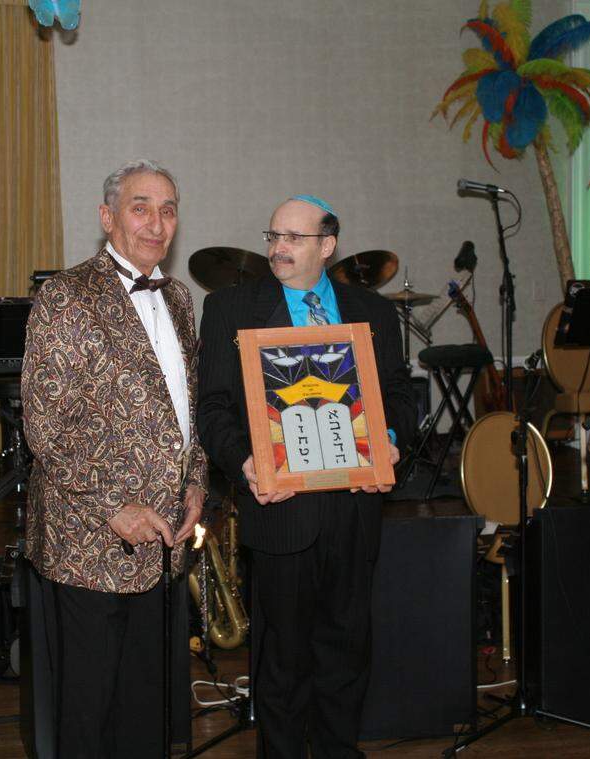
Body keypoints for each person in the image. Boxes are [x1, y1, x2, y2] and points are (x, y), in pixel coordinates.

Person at [197, 195, 415, 758]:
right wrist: (245, 461)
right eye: (273, 236)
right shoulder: (231, 308)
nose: (278, 248)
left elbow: (396, 394)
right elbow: (214, 406)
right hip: (280, 509)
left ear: (327, 245)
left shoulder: (374, 311)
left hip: (355, 509)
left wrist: (388, 445)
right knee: (282, 662)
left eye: (293, 238)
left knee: (346, 654)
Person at [20, 159, 207, 758]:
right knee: (88, 712)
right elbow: (46, 429)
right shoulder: (66, 296)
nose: (157, 223)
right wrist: (112, 505)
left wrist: (196, 483)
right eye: (141, 207)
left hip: (164, 541)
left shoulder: (178, 298)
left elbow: (188, 411)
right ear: (107, 217)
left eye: (169, 210)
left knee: (145, 709)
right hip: (90, 543)